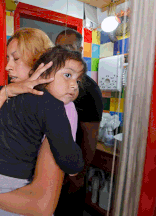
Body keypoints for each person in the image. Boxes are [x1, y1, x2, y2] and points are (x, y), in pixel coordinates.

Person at [0, 28, 80, 216]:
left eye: (15, 59)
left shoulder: (60, 107)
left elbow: (42, 203)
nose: (7, 67)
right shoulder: (12, 95)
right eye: (8, 59)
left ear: (39, 61)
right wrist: (4, 94)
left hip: (16, 201)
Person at [54, 29, 103, 215]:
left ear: (80, 49)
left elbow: (90, 137)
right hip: (53, 171)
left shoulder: (88, 89)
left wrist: (79, 176)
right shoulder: (56, 83)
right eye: (59, 48)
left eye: (68, 48)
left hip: (73, 173)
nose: (63, 53)